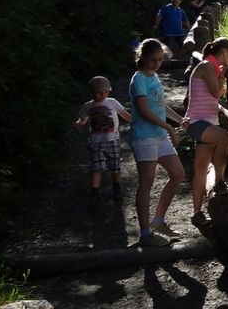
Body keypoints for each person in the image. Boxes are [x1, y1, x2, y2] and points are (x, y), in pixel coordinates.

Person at [129, 38, 185, 247]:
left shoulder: (154, 77)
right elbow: (143, 111)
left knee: (178, 174)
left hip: (159, 134)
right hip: (144, 136)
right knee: (147, 182)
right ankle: (145, 234)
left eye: (160, 59)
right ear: (142, 57)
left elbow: (159, 105)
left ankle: (158, 221)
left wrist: (179, 120)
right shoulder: (138, 80)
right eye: (153, 60)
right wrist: (169, 127)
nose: (156, 64)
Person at [182, 37, 228, 227]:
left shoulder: (211, 67)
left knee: (200, 169)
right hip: (198, 123)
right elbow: (216, 92)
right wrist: (223, 75)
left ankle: (196, 213)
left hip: (206, 123)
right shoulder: (206, 66)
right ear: (223, 53)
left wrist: (221, 73)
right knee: (226, 137)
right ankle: (220, 181)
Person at [74, 76, 132, 206]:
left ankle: (116, 185)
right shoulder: (88, 106)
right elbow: (83, 119)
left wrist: (136, 120)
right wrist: (79, 123)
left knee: (115, 165)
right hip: (96, 142)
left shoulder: (112, 102)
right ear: (92, 92)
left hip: (113, 140)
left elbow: (125, 115)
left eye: (106, 92)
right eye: (99, 92)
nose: (103, 95)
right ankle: (95, 191)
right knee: (97, 167)